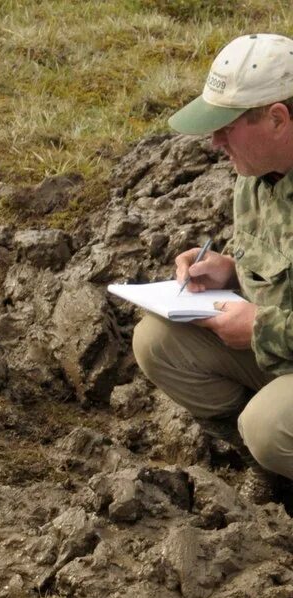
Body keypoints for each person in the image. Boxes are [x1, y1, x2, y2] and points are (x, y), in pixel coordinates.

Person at [133, 33, 293, 504]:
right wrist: (229, 270)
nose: (215, 141)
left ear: (278, 118)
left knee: (269, 425)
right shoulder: (257, 174)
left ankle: (272, 450)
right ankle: (278, 475)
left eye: (227, 126)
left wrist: (262, 330)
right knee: (159, 342)